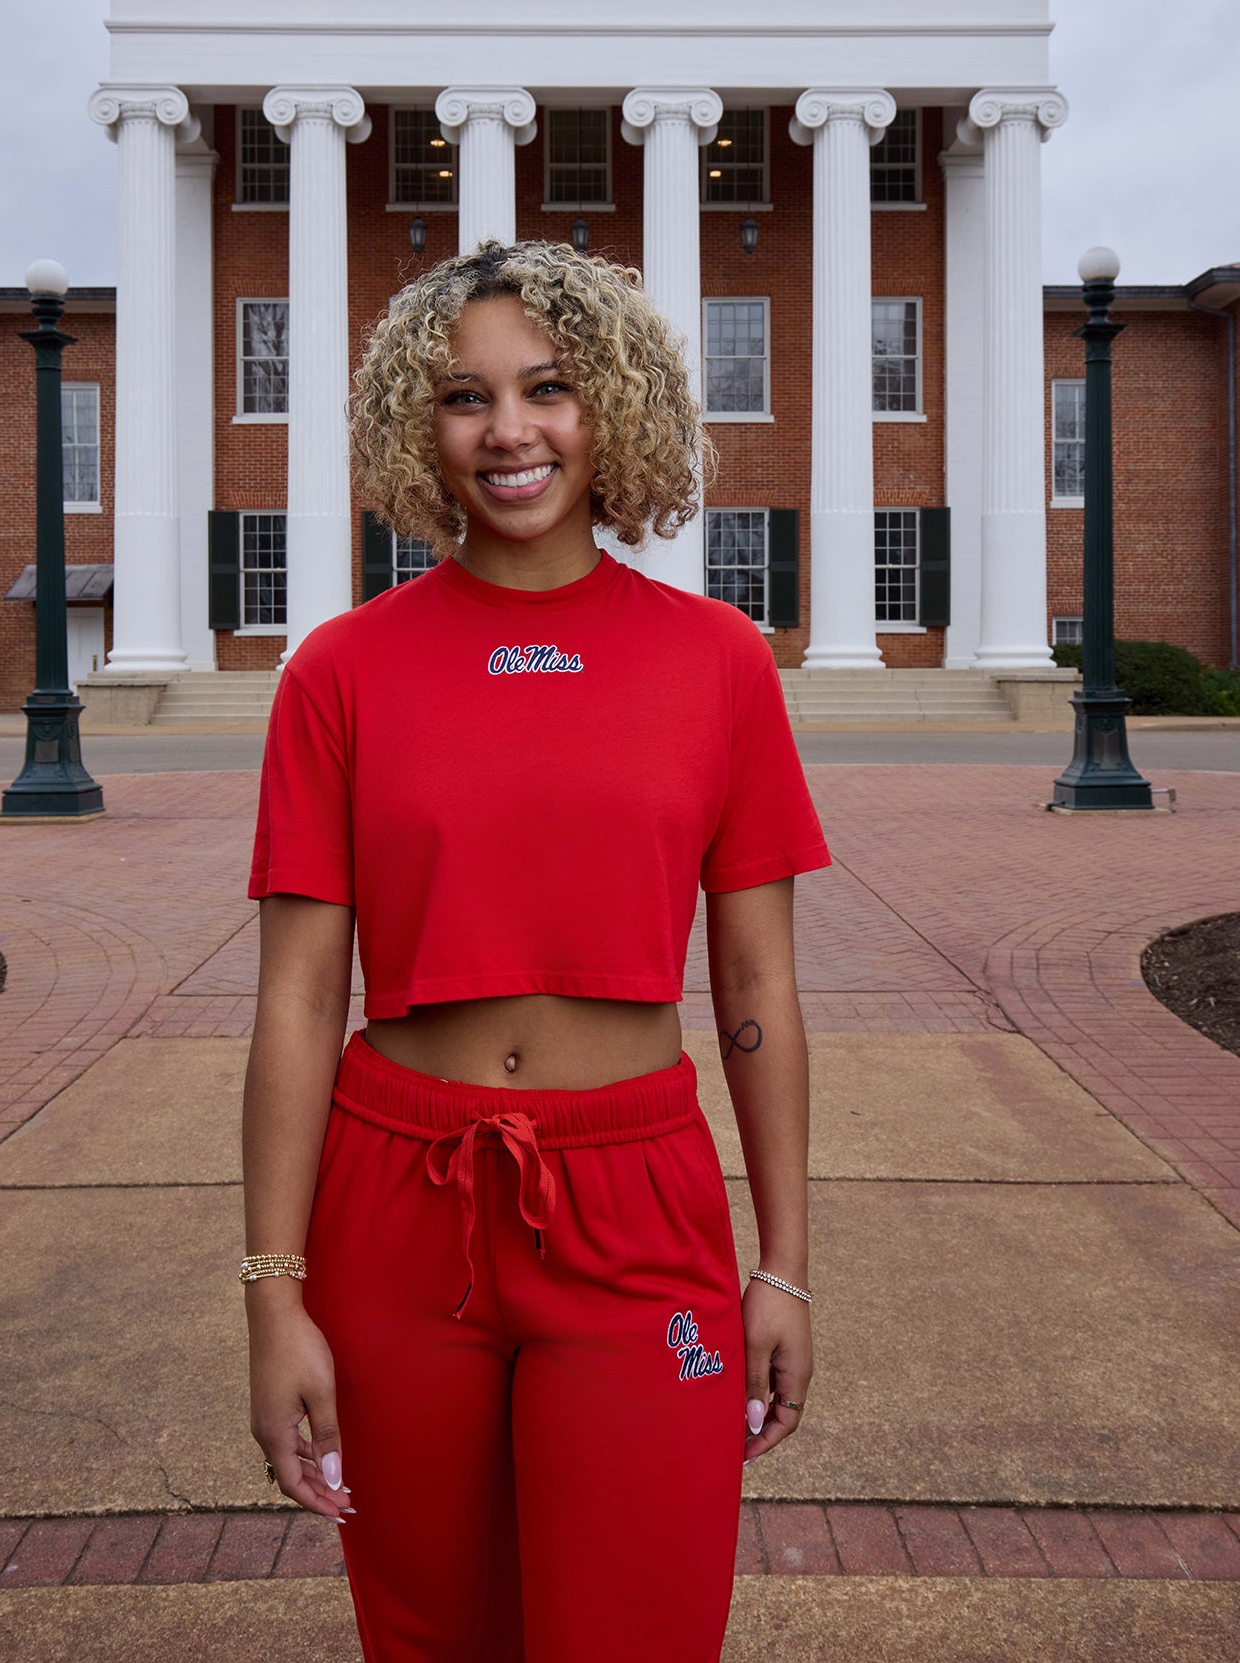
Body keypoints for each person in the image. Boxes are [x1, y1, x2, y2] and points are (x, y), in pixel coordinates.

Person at [241, 238, 832, 1663]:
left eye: (548, 388)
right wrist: (273, 1295)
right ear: (416, 428)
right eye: (463, 397)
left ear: (608, 408)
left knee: (634, 1621)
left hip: (637, 1200)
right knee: (432, 1627)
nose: (508, 431)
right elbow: (299, 997)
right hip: (397, 1193)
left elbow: (755, 987)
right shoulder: (339, 668)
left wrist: (786, 1265)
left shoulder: (717, 661)